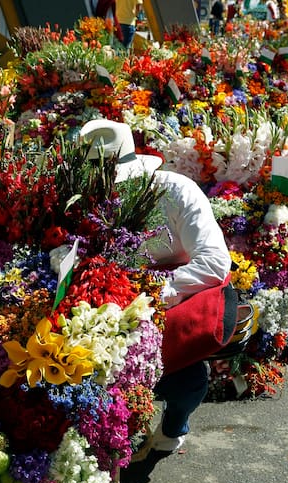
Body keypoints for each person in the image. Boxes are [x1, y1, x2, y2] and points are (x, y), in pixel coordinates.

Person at [78, 119, 232, 456]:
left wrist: (153, 292)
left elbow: (214, 261)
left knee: (187, 382)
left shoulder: (177, 192)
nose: (111, 196)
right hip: (107, 305)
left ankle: (173, 426)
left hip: (171, 300)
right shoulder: (86, 204)